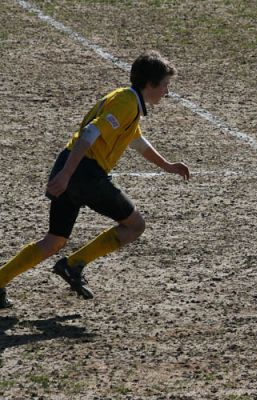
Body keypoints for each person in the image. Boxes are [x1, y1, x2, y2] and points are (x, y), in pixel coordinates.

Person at [0, 51, 190, 307]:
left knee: (54, 240)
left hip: (69, 166)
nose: (167, 92)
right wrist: (67, 175)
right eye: (166, 85)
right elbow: (89, 134)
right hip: (84, 173)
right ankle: (73, 265)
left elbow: (136, 140)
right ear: (150, 84)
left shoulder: (126, 100)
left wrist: (166, 165)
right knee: (135, 226)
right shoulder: (127, 104)